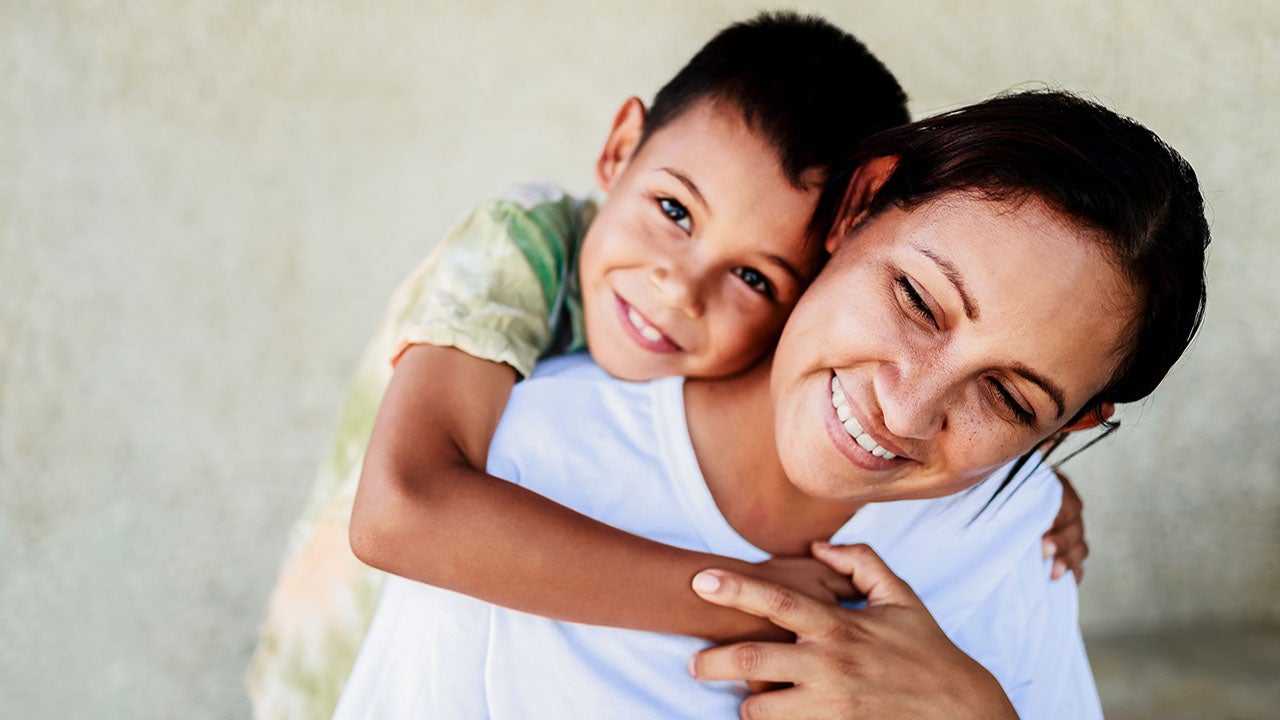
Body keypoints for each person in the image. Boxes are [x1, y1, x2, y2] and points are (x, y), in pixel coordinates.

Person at [246, 13, 1085, 717]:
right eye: (674, 210)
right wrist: (744, 594)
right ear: (617, 150)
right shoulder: (518, 246)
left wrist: (1031, 479)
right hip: (355, 635)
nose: (681, 290)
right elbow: (401, 515)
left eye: (755, 277)